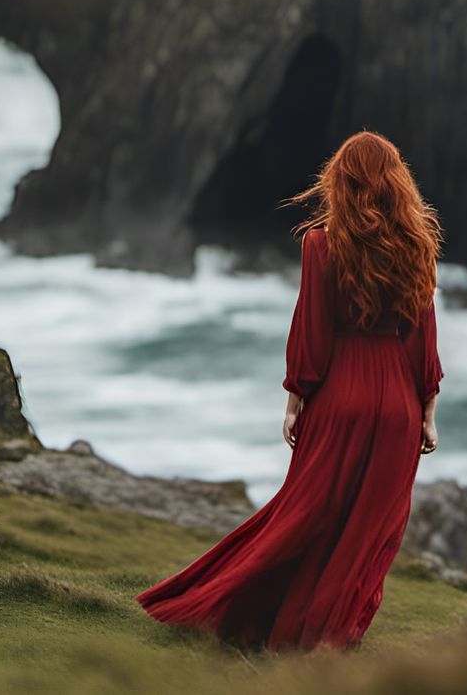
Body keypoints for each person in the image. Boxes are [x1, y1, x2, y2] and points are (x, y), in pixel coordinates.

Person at [136, 130, 444, 651]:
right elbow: (423, 340)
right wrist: (427, 413)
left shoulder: (321, 245)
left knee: (303, 515)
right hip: (397, 402)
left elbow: (312, 332)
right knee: (369, 529)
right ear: (398, 182)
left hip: (340, 396)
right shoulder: (417, 246)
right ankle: (333, 635)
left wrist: (295, 401)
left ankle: (250, 614)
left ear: (340, 182)